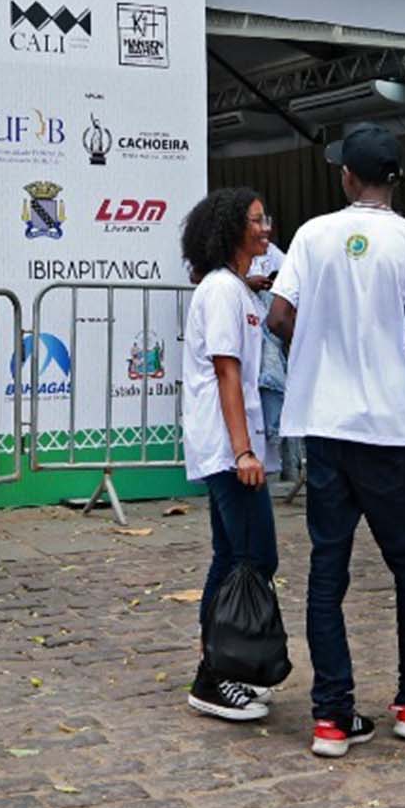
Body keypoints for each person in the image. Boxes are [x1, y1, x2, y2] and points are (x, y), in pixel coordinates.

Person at [270, 122, 405, 757]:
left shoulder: (311, 236)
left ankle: (332, 716)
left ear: (346, 176)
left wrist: (317, 352)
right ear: (393, 180)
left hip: (327, 428)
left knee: (327, 572)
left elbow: (279, 316)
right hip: (390, 430)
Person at [179, 187, 279, 724]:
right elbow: (227, 371)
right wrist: (243, 451)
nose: (266, 229)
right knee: (252, 557)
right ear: (231, 230)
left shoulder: (235, 289)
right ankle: (215, 675)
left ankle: (225, 666)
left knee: (233, 556)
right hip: (225, 448)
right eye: (257, 221)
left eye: (266, 220)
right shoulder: (220, 291)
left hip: (231, 445)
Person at [250, 236, 298, 487]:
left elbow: (291, 276)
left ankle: (287, 466)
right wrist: (247, 284)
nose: (263, 230)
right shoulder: (226, 252)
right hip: (247, 333)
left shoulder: (272, 252)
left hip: (268, 338)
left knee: (275, 384)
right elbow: (200, 276)